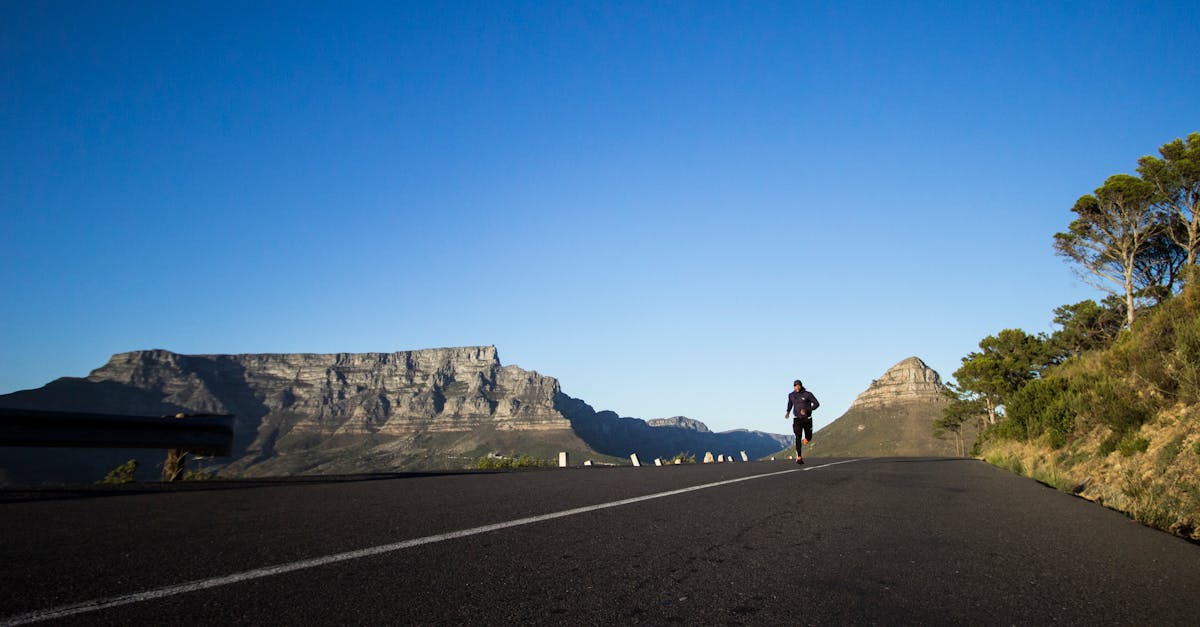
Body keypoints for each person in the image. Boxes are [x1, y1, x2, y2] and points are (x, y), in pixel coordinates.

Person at [785, 379, 819, 464]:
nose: (797, 387)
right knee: (798, 436)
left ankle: (807, 438)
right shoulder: (791, 395)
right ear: (793, 386)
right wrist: (788, 412)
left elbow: (816, 404)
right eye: (795, 385)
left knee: (809, 436)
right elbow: (790, 404)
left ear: (801, 385)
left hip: (807, 419)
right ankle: (799, 456)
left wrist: (807, 410)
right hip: (797, 419)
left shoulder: (808, 394)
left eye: (798, 385)